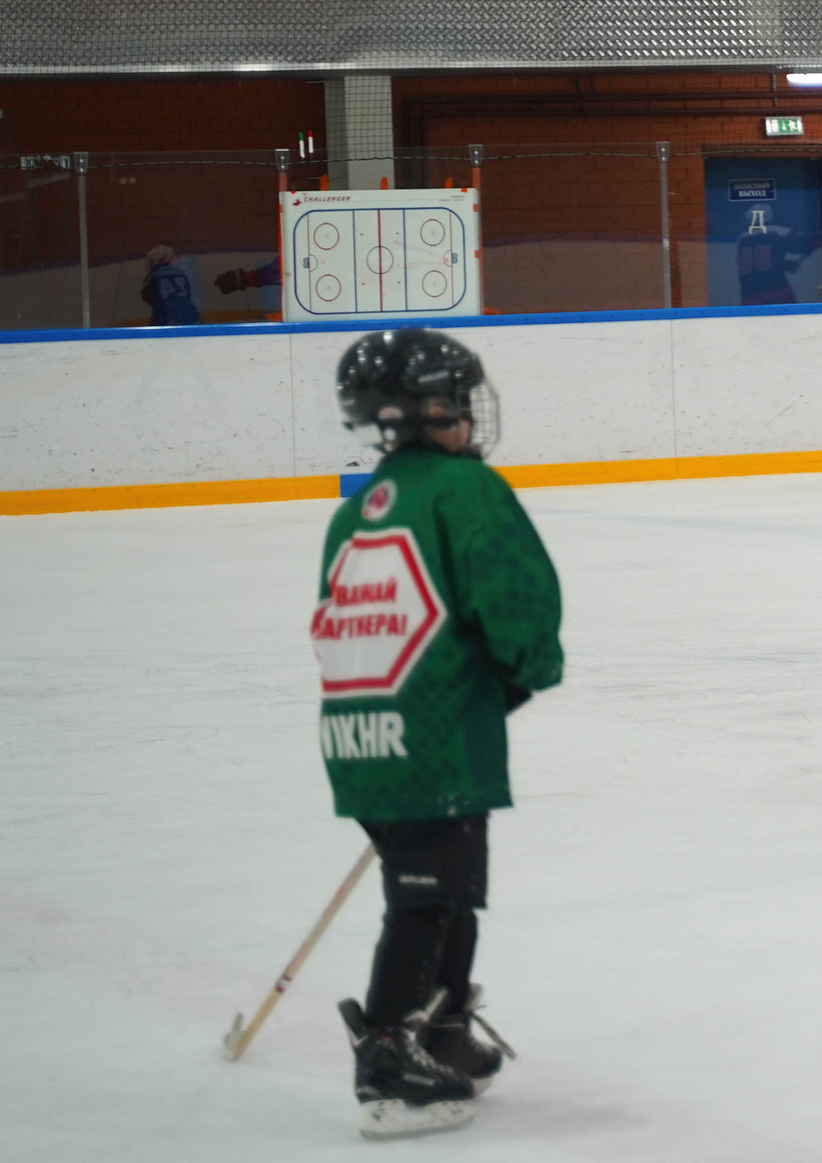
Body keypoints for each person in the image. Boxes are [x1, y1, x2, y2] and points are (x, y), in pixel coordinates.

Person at [318, 328, 563, 1139]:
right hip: (434, 736)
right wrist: (521, 674)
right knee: (426, 898)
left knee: (445, 884)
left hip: (360, 736)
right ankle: (389, 1053)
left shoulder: (354, 510)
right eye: (457, 402)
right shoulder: (466, 491)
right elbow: (519, 605)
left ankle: (442, 1025)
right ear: (429, 411)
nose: (467, 415)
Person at [141, 243, 202, 326]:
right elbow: (188, 295)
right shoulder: (181, 273)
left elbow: (146, 296)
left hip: (164, 319)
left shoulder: (153, 276)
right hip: (189, 317)